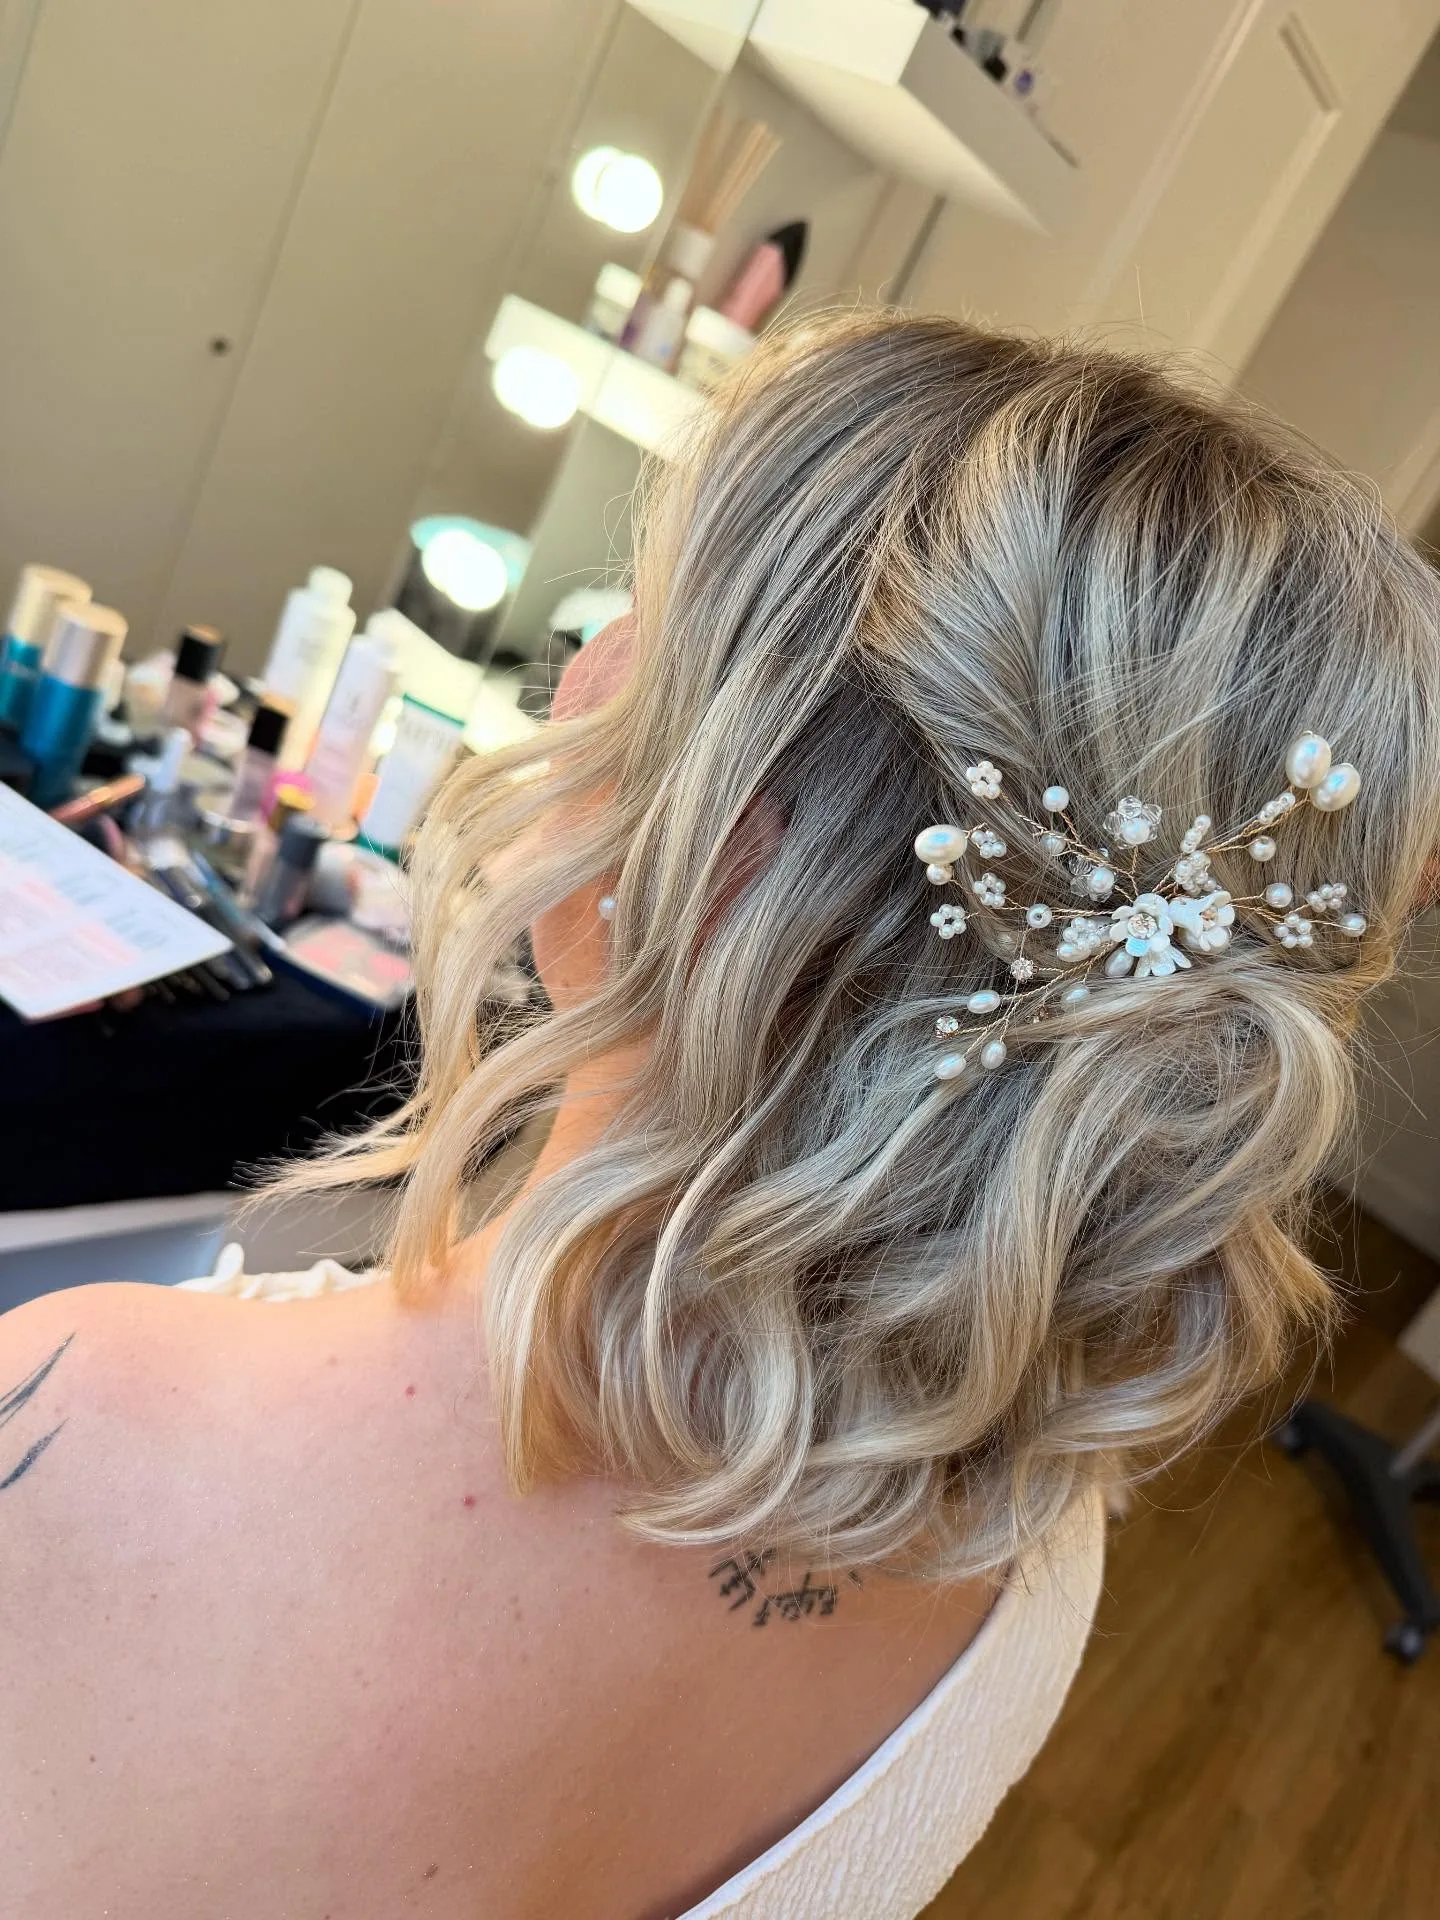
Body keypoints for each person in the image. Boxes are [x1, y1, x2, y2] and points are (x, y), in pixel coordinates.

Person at [4, 312, 1439, 1920]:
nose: (584, 664)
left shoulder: (87, 1455)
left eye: (643, 606)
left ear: (736, 853)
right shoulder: (1031, 1558)